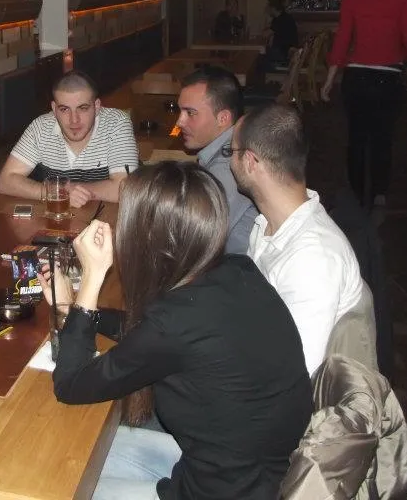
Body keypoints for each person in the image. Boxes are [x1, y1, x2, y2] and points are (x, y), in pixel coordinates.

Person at [41, 162, 312, 500]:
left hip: (224, 492)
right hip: (241, 472)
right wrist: (76, 309)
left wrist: (92, 279)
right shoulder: (236, 271)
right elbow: (149, 335)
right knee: (61, 456)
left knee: (50, 486)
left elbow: (70, 384)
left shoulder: (175, 323)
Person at [229, 104, 365, 375]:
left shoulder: (312, 259)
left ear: (250, 162)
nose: (229, 162)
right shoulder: (268, 224)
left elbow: (298, 376)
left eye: (230, 152)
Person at [322, 0, 407, 211]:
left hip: (356, 77)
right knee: (383, 137)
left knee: (356, 137)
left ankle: (357, 193)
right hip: (388, 78)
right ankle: (379, 192)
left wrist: (329, 79)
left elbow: (342, 41)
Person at [0, 71, 138, 207]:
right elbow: (5, 181)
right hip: (57, 218)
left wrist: (68, 190)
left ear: (97, 106)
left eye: (83, 108)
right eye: (64, 109)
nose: (74, 120)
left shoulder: (117, 123)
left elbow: (126, 190)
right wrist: (58, 192)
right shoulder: (41, 127)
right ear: (54, 108)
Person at [176, 67, 257, 253]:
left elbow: (193, 242)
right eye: (180, 111)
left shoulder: (229, 167)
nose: (179, 122)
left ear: (223, 118)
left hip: (234, 266)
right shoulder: (233, 146)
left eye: (190, 113)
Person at [264, 0, 299, 66]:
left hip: (284, 53)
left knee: (260, 58)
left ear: (273, 8)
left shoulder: (281, 19)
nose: (267, 10)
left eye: (268, 8)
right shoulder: (282, 17)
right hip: (283, 51)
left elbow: (265, 35)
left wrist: (266, 19)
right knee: (262, 54)